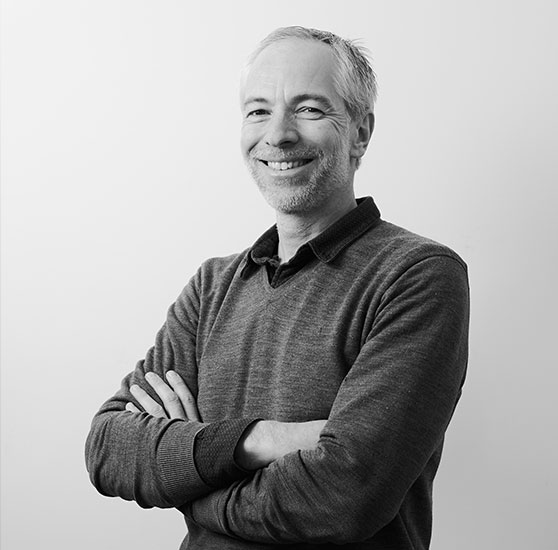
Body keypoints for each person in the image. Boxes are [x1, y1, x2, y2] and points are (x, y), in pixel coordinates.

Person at [85, 26, 470, 550]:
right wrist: (258, 440)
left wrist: (189, 484)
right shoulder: (212, 286)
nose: (278, 134)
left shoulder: (417, 275)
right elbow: (107, 448)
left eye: (308, 109)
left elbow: (343, 498)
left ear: (360, 133)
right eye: (258, 110)